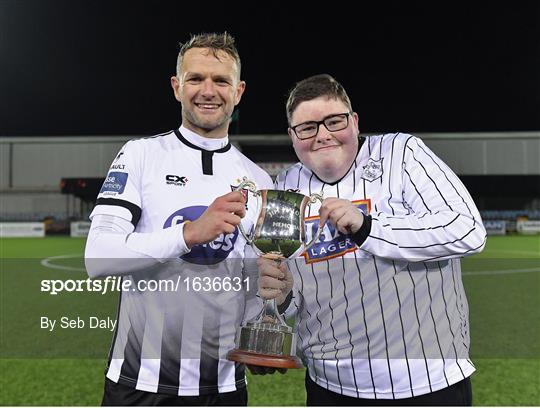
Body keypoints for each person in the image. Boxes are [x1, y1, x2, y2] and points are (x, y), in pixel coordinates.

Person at [258, 74, 487, 406]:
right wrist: (281, 296)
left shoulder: (400, 152)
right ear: (293, 137)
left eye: (333, 122)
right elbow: (294, 298)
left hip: (427, 385)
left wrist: (367, 227)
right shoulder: (285, 186)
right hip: (329, 388)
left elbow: (467, 230)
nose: (322, 135)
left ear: (354, 121)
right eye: (307, 128)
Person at [84, 32, 273, 406]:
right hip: (139, 383)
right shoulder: (140, 155)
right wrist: (189, 233)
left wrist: (262, 328)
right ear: (176, 86)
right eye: (195, 78)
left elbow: (252, 280)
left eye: (221, 81)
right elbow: (99, 257)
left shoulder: (259, 180)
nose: (208, 90)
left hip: (223, 389)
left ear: (239, 92)